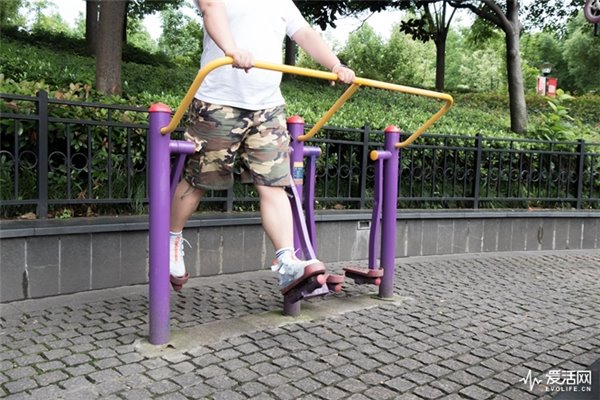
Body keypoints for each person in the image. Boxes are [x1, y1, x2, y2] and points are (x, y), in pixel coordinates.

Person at [169, 0, 355, 292]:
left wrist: (335, 64)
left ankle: (287, 262)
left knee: (274, 184)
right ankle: (171, 240)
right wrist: (231, 49)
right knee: (199, 180)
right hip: (218, 101)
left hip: (267, 107)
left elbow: (305, 33)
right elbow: (210, 9)